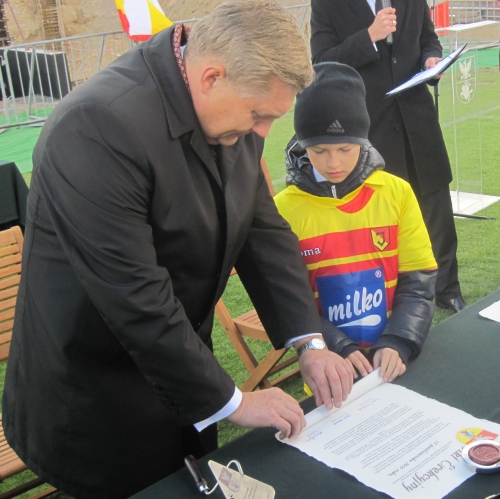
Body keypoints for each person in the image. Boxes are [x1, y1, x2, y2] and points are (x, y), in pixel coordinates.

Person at [2, 3, 354, 498]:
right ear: (210, 76)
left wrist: (309, 342)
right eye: (259, 115)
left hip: (182, 369)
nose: (263, 134)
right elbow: (133, 295)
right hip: (93, 397)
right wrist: (232, 402)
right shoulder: (95, 127)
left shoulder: (231, 106)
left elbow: (262, 230)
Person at [275, 62, 438, 383]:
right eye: (319, 150)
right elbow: (290, 302)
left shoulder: (396, 193)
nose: (333, 162)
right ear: (301, 144)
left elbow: (419, 281)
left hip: (394, 363)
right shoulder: (282, 211)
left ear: (363, 140)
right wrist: (335, 347)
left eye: (345, 148)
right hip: (332, 367)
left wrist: (399, 339)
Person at [309, 0, 465, 313]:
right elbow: (322, 61)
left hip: (419, 123)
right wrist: (368, 36)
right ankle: (394, 298)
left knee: (436, 210)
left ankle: (447, 290)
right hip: (371, 127)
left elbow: (427, 39)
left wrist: (431, 58)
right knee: (383, 216)